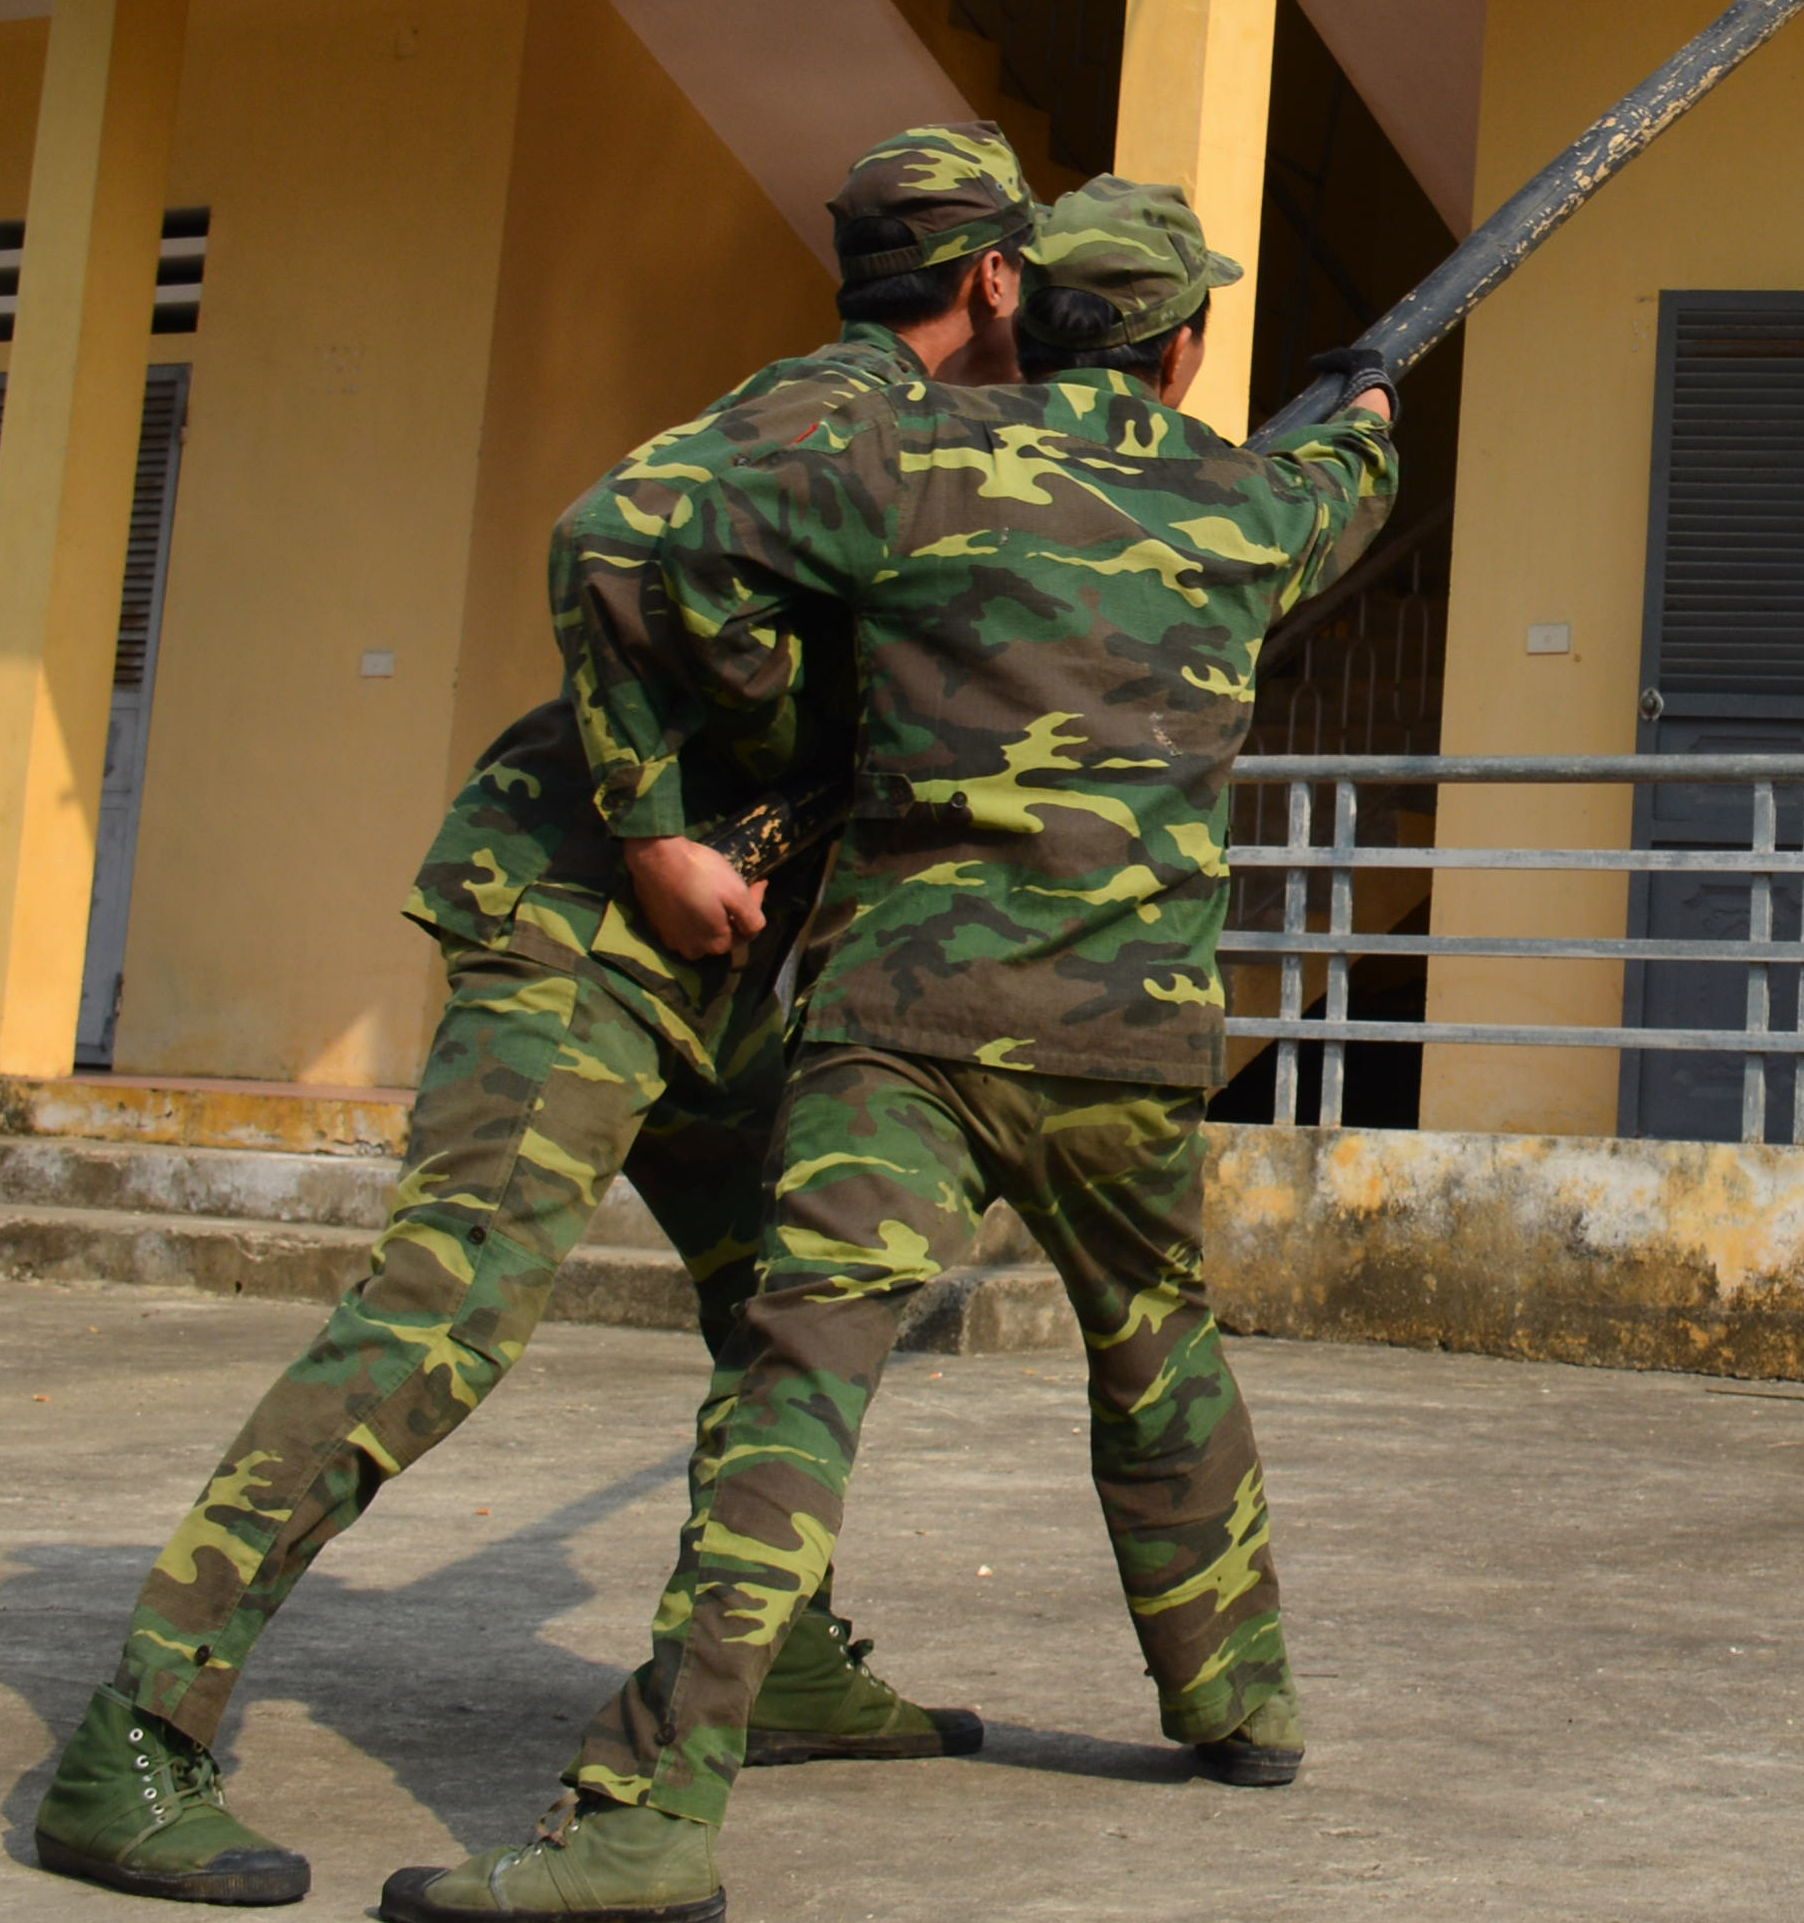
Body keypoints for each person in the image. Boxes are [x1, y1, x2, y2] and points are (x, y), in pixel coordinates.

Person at [27, 125, 1040, 1909]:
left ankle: (778, 1651)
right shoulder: (844, 410)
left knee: (791, 1302)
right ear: (993, 275)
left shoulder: (941, 454)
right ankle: (133, 1738)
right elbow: (607, 535)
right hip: (584, 915)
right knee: (446, 1310)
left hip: (715, 968)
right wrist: (651, 829)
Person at [380, 181, 1400, 1923]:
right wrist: (1367, 391)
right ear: (1185, 344)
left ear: (1034, 313)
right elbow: (1355, 478)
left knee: (795, 1383)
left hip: (903, 1024)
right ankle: (1239, 1696)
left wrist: (646, 812)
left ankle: (650, 1815)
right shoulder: (1250, 497)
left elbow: (627, 540)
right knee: (1158, 1344)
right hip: (1125, 1031)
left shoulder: (916, 465)